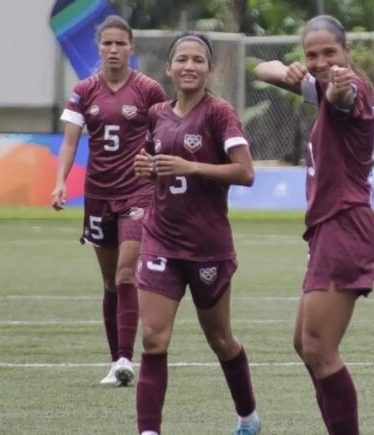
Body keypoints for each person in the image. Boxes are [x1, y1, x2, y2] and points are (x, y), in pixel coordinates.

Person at [253, 15, 374, 435]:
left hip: (345, 225)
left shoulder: (350, 89)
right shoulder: (321, 87)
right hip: (329, 227)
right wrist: (291, 72)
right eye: (312, 54)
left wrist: (336, 85)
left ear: (347, 52)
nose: (322, 62)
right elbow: (262, 69)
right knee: (304, 345)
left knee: (320, 349)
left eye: (330, 52)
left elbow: (344, 96)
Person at [132, 32, 260, 435]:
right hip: (160, 238)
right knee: (153, 338)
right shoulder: (157, 113)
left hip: (207, 246)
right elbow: (154, 165)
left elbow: (246, 172)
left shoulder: (219, 113)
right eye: (182, 59)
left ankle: (248, 417)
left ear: (210, 69)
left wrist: (192, 167)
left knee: (221, 341)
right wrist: (145, 168)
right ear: (169, 68)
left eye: (198, 60)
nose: (189, 66)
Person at [51, 15, 166, 386]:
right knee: (109, 281)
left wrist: (160, 171)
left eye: (120, 43)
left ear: (132, 47)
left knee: (126, 273)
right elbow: (70, 141)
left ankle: (125, 359)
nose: (114, 49)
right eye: (107, 43)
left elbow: (166, 134)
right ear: (98, 48)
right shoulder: (84, 90)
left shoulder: (149, 90)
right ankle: (115, 358)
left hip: (138, 192)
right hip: (98, 194)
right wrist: (60, 182)